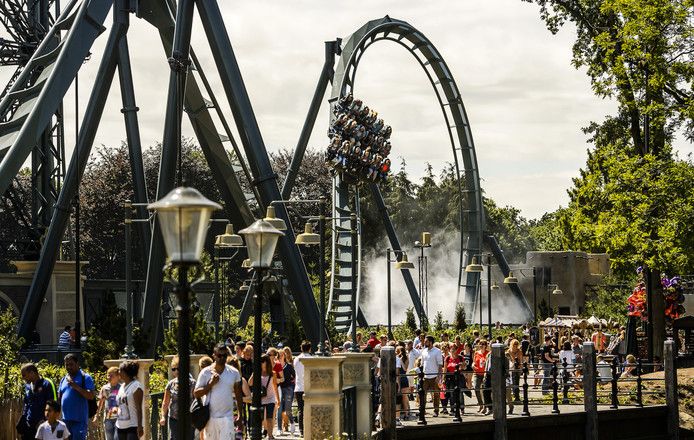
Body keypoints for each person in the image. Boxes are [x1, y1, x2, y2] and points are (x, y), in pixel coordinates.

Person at [194, 344, 244, 439]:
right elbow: (196, 393)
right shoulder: (205, 372)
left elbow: (238, 395)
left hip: (227, 418)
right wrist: (210, 385)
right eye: (219, 355)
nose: (222, 358)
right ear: (214, 355)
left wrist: (240, 415)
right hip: (210, 418)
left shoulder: (234, 372)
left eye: (224, 356)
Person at [58, 354, 94, 440]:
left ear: (77, 364)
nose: (68, 367)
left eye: (71, 364)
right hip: (65, 420)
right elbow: (60, 398)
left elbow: (91, 396)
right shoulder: (63, 379)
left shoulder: (85, 377)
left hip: (79, 421)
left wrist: (75, 386)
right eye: (66, 365)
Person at [18, 363, 56, 440]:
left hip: (42, 425)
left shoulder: (46, 384)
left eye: (24, 375)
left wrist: (45, 421)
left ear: (32, 373)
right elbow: (26, 403)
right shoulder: (27, 386)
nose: (23, 378)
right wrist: (23, 419)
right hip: (28, 425)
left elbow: (52, 405)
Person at [160, 357, 195, 440]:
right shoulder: (170, 384)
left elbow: (197, 400)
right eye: (173, 369)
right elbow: (165, 402)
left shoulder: (193, 383)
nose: (176, 371)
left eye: (178, 368)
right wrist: (163, 417)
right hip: (174, 419)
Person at [249, 354, 278, 440]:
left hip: (270, 399)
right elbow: (250, 383)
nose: (260, 363)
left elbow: (275, 387)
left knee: (269, 418)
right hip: (260, 399)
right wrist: (254, 373)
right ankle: (260, 433)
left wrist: (277, 399)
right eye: (260, 361)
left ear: (266, 362)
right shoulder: (257, 373)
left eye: (262, 361)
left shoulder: (273, 374)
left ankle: (270, 435)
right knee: (260, 419)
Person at [115, 361, 144, 439]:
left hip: (132, 426)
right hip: (120, 425)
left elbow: (139, 408)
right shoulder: (122, 386)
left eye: (120, 370)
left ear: (125, 372)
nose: (118, 372)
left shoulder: (136, 386)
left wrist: (140, 426)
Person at [94, 366, 120, 440]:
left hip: (119, 418)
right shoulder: (105, 388)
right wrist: (96, 415)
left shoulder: (121, 388)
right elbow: (100, 402)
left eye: (111, 376)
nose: (109, 377)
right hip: (108, 419)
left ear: (118, 376)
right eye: (108, 375)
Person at [420, 335, 443, 417]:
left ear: (430, 342)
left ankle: (436, 411)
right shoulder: (424, 351)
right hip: (425, 376)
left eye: (426, 341)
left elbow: (440, 365)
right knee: (422, 394)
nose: (424, 342)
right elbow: (422, 364)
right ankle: (422, 410)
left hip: (434, 376)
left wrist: (439, 377)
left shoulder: (437, 351)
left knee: (436, 394)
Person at [293, 340, 312, 436]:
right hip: (309, 387)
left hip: (298, 387)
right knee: (310, 409)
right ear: (309, 348)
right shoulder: (312, 359)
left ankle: (301, 430)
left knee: (301, 410)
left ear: (301, 348)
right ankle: (309, 428)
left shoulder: (296, 359)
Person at [277, 347, 295, 435]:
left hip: (288, 388)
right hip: (279, 388)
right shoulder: (276, 366)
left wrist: (292, 386)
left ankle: (292, 422)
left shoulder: (289, 366)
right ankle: (279, 428)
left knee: (288, 409)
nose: (280, 357)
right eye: (278, 355)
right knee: (279, 409)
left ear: (284, 356)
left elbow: (295, 376)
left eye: (281, 355)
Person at [472, 340, 489, 413]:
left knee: (484, 390)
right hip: (477, 373)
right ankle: (480, 404)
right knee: (476, 388)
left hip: (485, 374)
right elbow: (474, 362)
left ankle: (485, 407)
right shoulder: (476, 353)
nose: (481, 345)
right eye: (480, 344)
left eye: (483, 344)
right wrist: (473, 365)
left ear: (485, 345)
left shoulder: (488, 353)